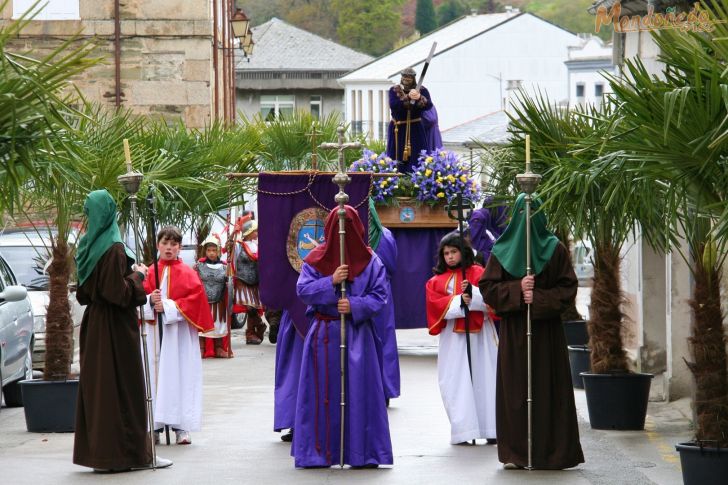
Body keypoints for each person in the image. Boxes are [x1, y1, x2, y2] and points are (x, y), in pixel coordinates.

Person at [479, 193, 584, 470]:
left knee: (548, 390)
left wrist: (535, 297)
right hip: (515, 333)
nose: (528, 221)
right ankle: (517, 452)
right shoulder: (502, 250)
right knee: (515, 391)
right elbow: (488, 288)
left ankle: (552, 453)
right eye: (523, 214)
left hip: (546, 333)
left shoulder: (555, 248)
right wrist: (516, 290)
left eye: (533, 213)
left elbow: (567, 289)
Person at [73, 189, 171, 472]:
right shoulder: (114, 248)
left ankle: (103, 455)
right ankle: (132, 455)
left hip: (96, 327)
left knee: (102, 389)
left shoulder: (87, 247)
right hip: (116, 327)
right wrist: (138, 275)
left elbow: (85, 292)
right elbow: (117, 293)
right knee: (124, 389)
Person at [293, 205, 393, 468]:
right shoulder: (316, 258)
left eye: (348, 225)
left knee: (360, 393)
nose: (343, 232)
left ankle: (362, 453)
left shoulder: (372, 261)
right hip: (323, 335)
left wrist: (356, 305)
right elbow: (303, 290)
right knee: (321, 393)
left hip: (359, 336)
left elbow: (380, 296)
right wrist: (331, 281)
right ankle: (319, 453)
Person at [142, 226, 214, 446]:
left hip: (178, 335)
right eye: (165, 243)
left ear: (180, 247)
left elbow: (196, 301)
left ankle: (181, 427)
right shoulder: (149, 272)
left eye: (174, 244)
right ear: (158, 245)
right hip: (155, 334)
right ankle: (153, 426)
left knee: (179, 376)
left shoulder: (188, 273)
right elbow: (136, 298)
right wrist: (149, 302)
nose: (169, 248)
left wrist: (169, 306)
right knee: (153, 377)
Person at [425, 232, 498, 445]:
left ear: (462, 251)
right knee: (457, 382)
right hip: (453, 341)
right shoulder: (435, 282)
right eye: (446, 253)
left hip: (482, 337)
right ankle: (464, 430)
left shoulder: (479, 273)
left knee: (486, 378)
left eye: (454, 251)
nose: (450, 256)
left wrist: (473, 296)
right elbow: (434, 304)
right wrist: (459, 301)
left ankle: (491, 427)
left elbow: (492, 297)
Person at [369, 199, 400, 403]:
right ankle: (384, 388)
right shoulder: (385, 235)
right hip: (382, 291)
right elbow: (391, 265)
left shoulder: (350, 235)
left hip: (362, 292)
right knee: (383, 338)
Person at [230, 216, 271, 345]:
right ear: (249, 232)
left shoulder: (257, 245)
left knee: (253, 307)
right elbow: (229, 248)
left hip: (255, 281)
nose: (257, 233)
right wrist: (233, 234)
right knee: (249, 308)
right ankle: (258, 326)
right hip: (242, 281)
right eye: (255, 231)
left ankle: (251, 333)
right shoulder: (238, 246)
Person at [386, 67, 434, 173]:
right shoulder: (394, 90)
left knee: (418, 156)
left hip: (415, 128)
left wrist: (420, 97)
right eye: (404, 76)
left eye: (409, 77)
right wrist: (408, 97)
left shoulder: (422, 90)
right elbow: (394, 105)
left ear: (413, 78)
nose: (406, 79)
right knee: (396, 157)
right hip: (398, 128)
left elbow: (429, 105)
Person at [195, 234, 232, 358]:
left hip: (218, 302)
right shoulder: (198, 266)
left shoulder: (225, 267)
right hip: (203, 303)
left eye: (214, 250)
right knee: (202, 326)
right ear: (205, 251)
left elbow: (231, 285)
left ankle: (219, 348)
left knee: (218, 325)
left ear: (218, 251)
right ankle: (201, 348)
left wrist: (229, 281)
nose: (211, 253)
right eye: (209, 250)